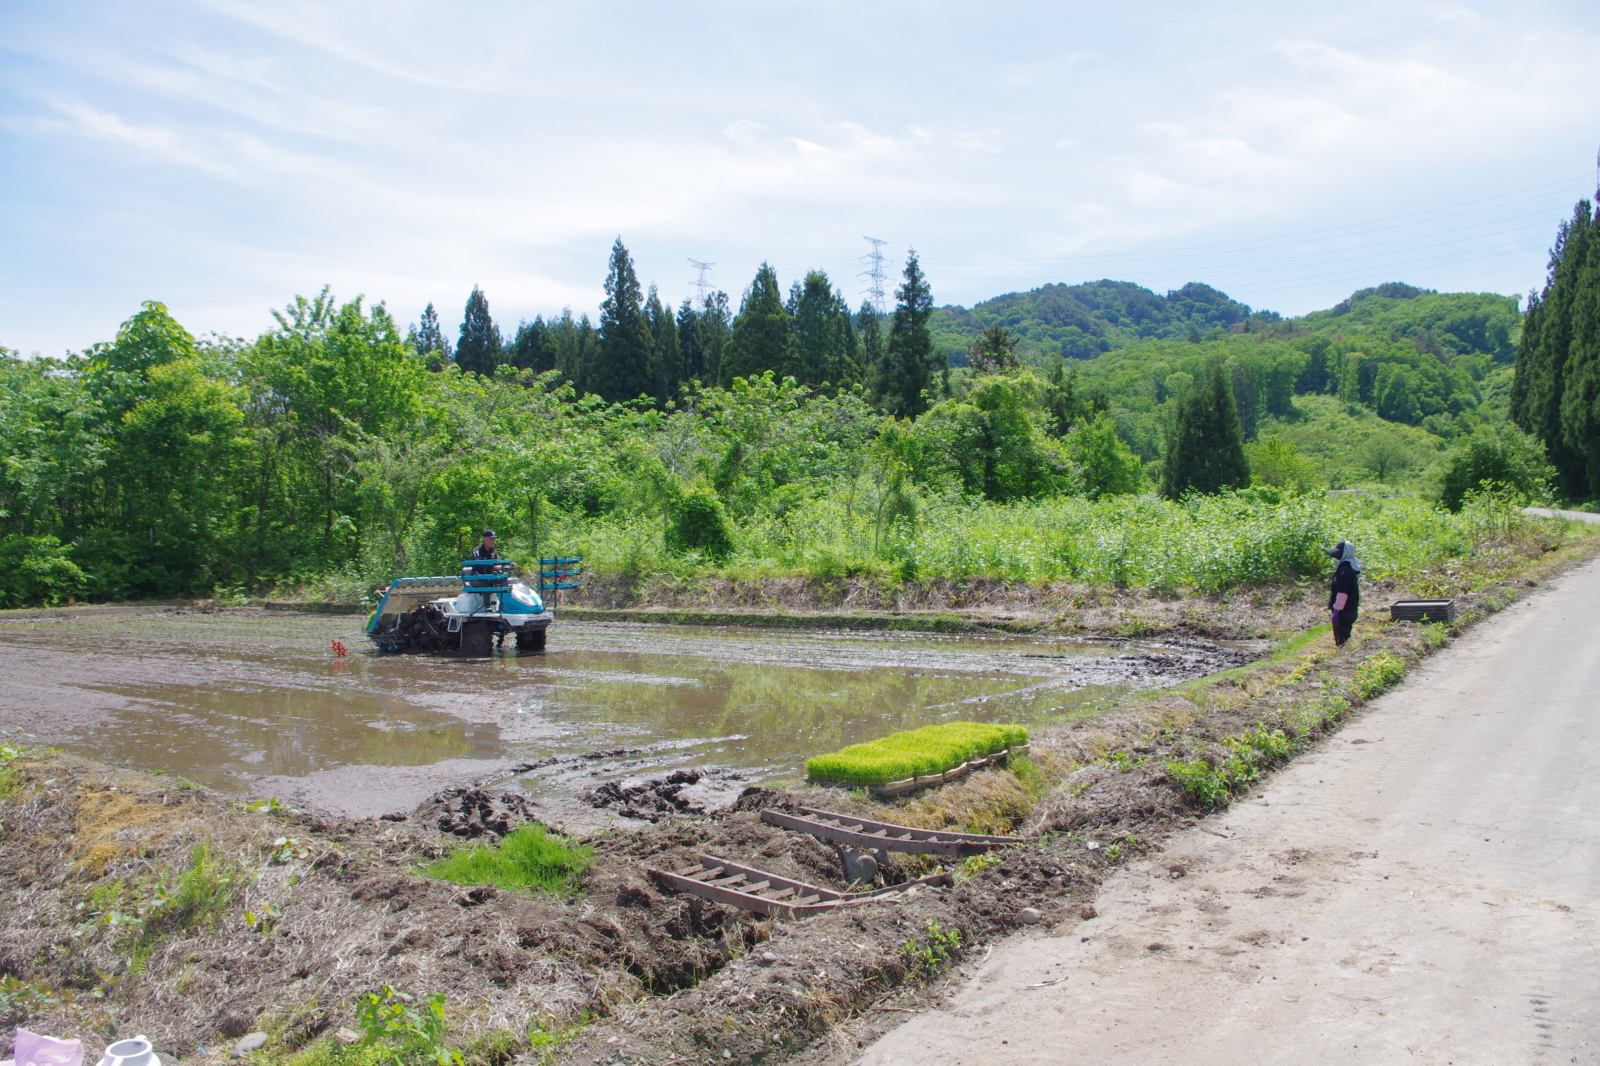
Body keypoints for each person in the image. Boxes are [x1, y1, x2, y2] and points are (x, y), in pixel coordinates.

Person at [1325, 539, 1362, 647]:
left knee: (1342, 641)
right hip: (1347, 610)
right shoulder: (1347, 567)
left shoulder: (1345, 570)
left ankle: (1344, 659)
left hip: (1344, 611)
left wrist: (1337, 611)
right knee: (1342, 638)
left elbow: (1343, 593)